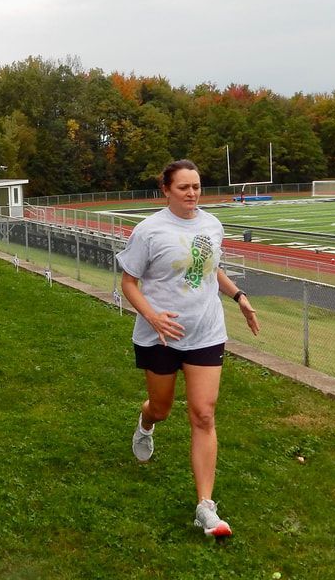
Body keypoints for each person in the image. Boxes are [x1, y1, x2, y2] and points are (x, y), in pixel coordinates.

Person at [116, 159, 260, 538]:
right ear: (166, 190)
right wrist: (153, 317)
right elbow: (128, 282)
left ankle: (205, 507)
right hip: (160, 336)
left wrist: (239, 296)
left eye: (196, 186)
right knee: (162, 408)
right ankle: (146, 423)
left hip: (206, 332)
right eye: (183, 187)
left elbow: (211, 270)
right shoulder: (149, 231)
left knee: (204, 415)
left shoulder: (212, 225)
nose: (192, 193)